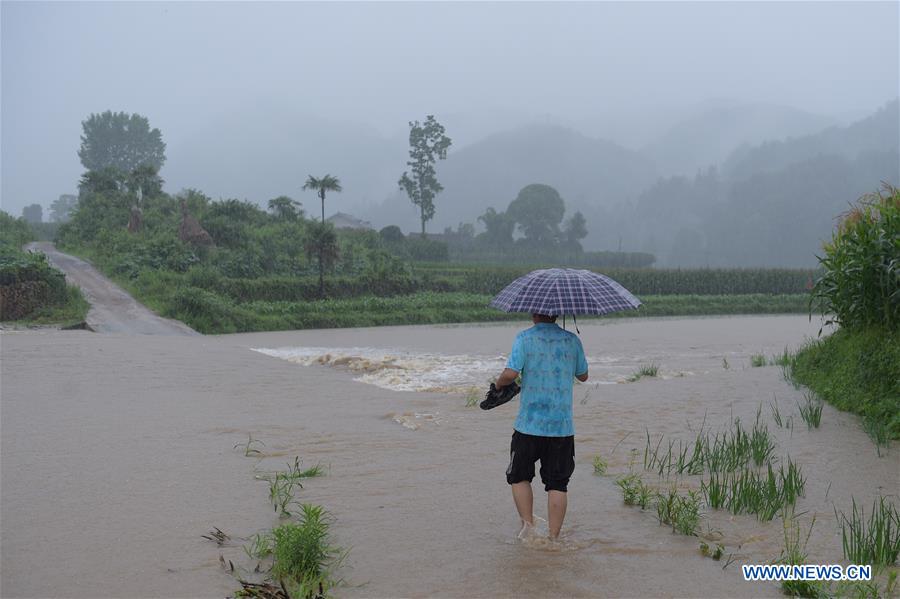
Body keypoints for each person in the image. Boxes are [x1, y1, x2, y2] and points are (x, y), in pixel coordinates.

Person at [494, 313, 589, 540]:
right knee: (558, 483)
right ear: (557, 313)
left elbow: (510, 373)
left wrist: (498, 385)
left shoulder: (524, 338)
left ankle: (528, 528)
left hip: (528, 424)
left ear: (533, 312)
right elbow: (583, 376)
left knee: (519, 476)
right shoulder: (572, 340)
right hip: (561, 427)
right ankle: (554, 538)